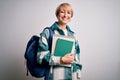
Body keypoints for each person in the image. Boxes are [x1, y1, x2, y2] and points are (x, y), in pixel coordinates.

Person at [37, 3, 82, 80]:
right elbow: (40, 57)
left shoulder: (73, 36)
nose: (65, 15)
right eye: (62, 12)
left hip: (72, 76)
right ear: (57, 14)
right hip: (54, 77)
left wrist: (78, 76)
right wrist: (61, 59)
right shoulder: (47, 32)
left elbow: (76, 59)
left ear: (71, 17)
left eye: (68, 12)